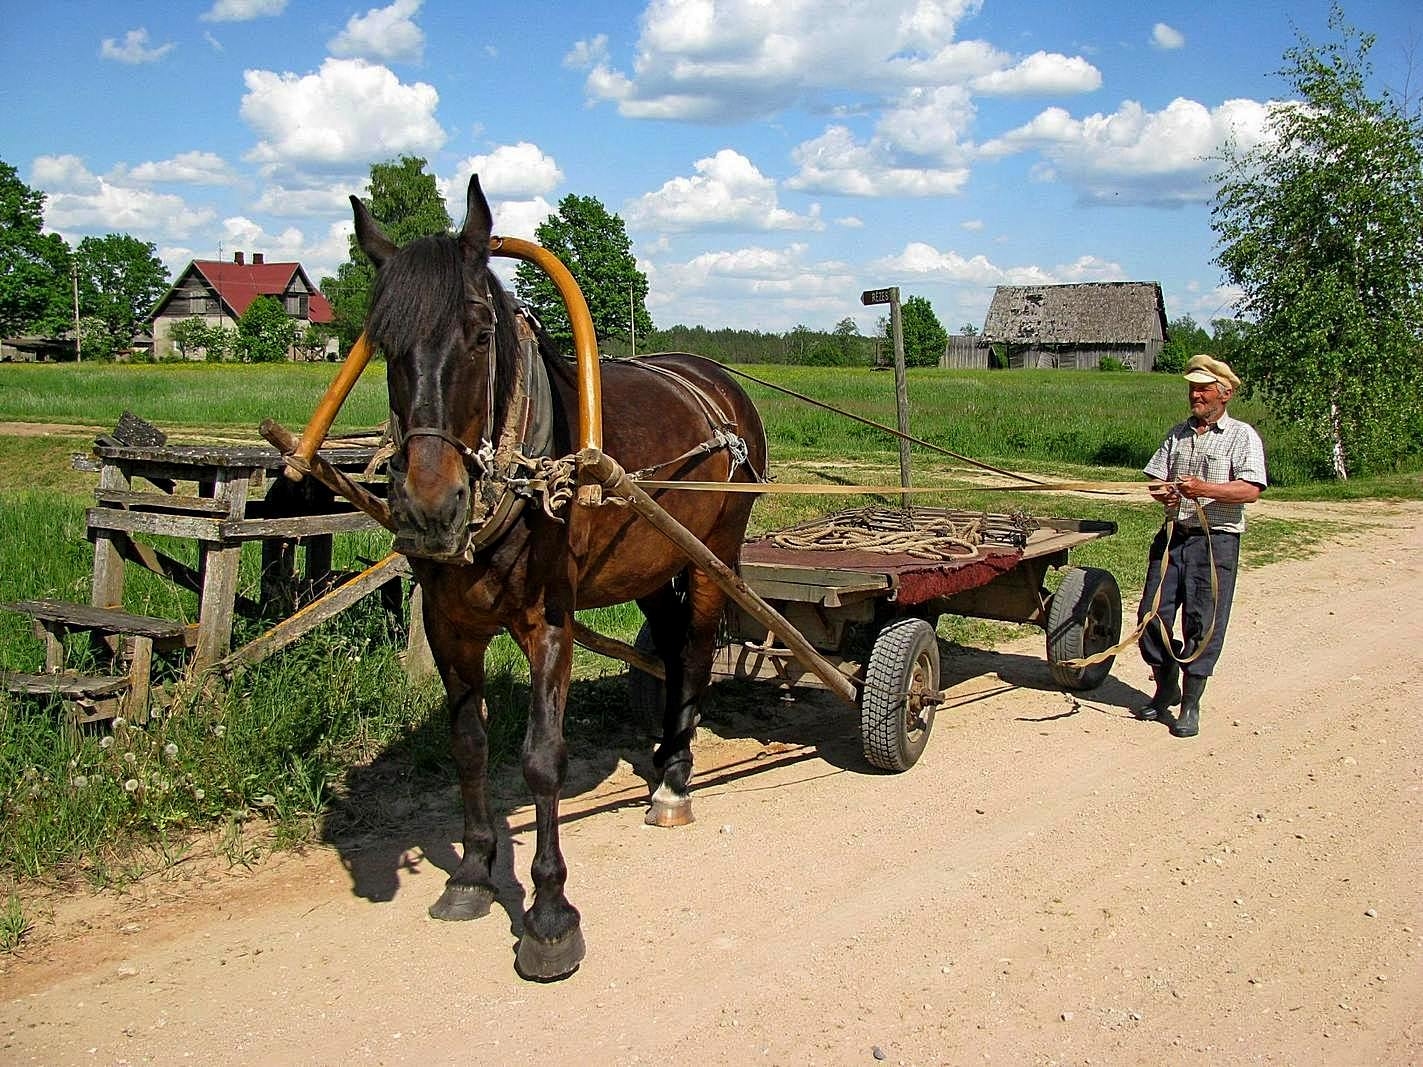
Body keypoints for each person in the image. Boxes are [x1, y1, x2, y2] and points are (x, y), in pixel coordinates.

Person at [1138, 353, 1267, 737]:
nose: (1196, 395)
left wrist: (1203, 490)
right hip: (1174, 538)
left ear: (1223, 394)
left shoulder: (1242, 436)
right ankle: (1166, 688)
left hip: (1215, 545)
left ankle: (1190, 706)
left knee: (1203, 623)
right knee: (1151, 616)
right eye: (1193, 388)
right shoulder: (1177, 434)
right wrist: (1166, 494)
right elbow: (1156, 478)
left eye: (1203, 389)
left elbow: (1250, 490)